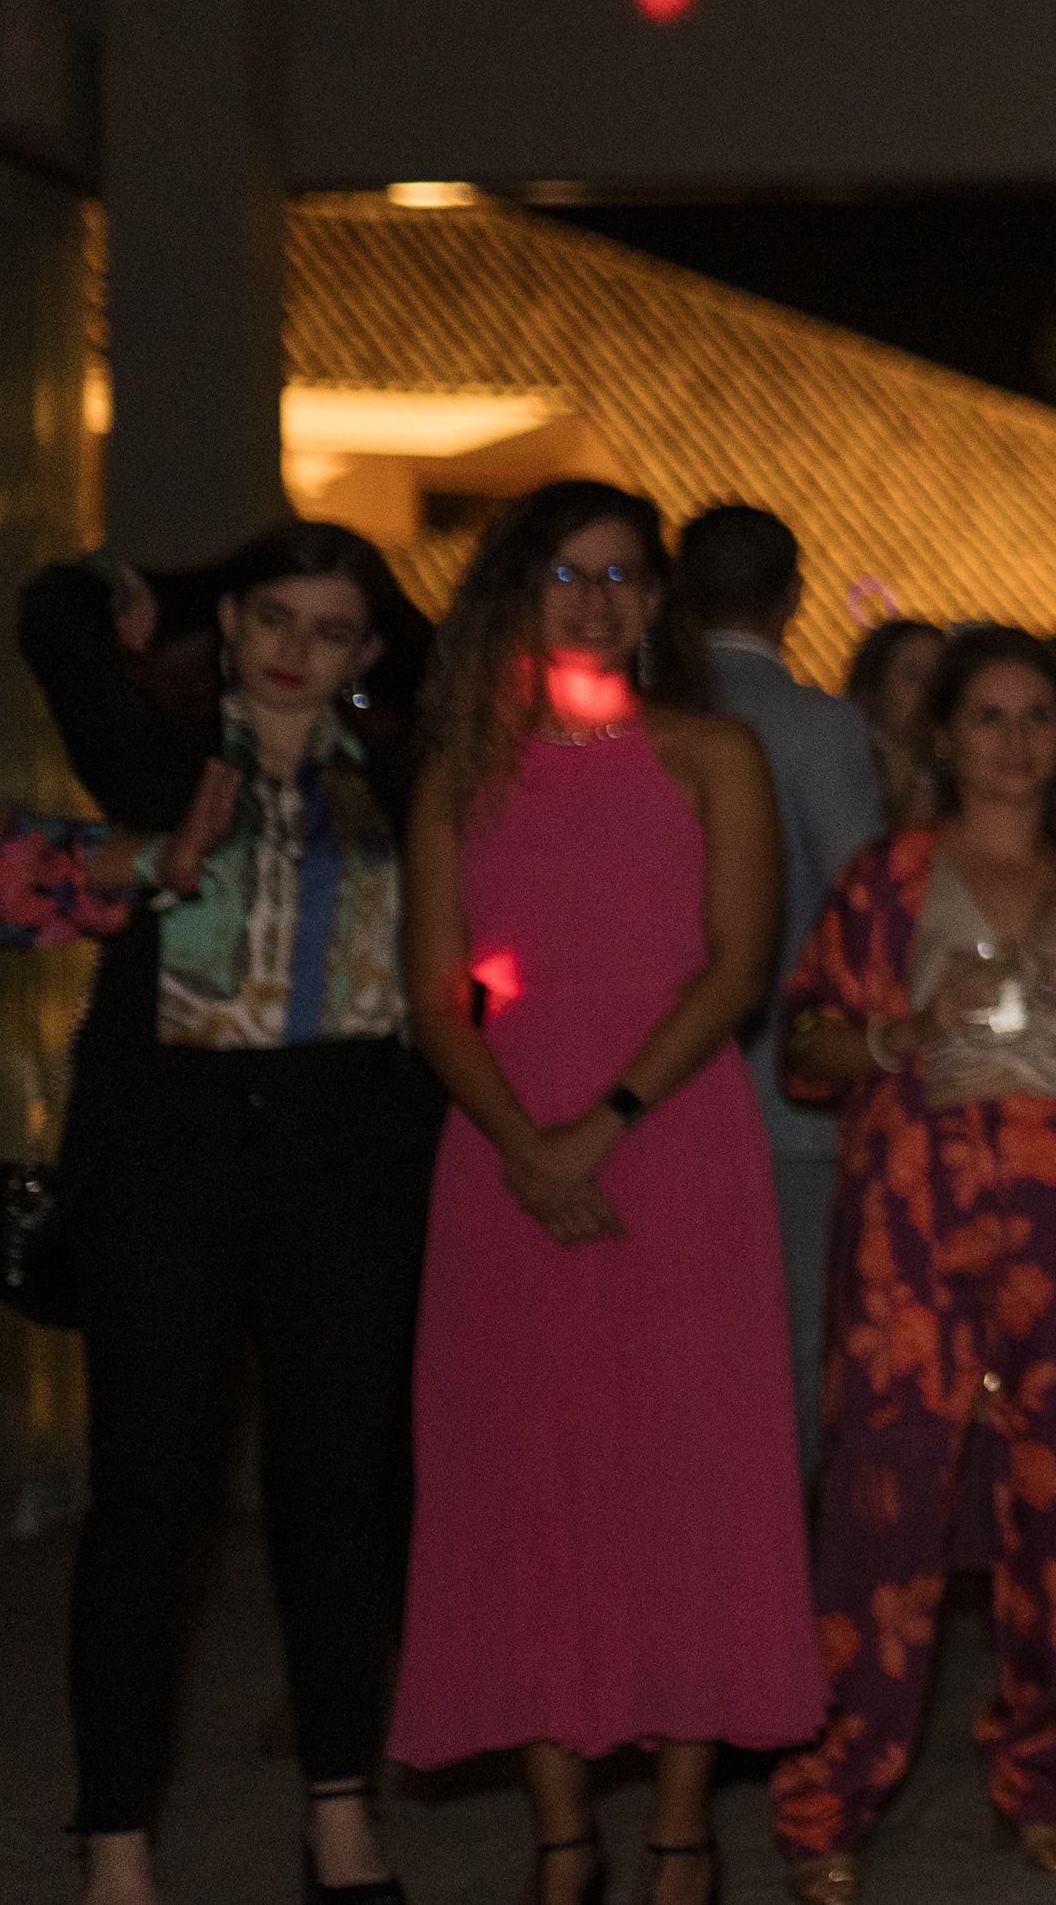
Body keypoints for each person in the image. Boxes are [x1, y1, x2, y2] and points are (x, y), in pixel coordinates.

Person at [388, 482, 827, 1904]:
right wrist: (527, 1142)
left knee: (688, 1476)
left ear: (658, 599)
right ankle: (561, 1834)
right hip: (499, 1155)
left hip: (676, 1147)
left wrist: (602, 1125)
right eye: (566, 573)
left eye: (623, 574)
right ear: (516, 594)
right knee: (524, 1478)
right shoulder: (459, 773)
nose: (595, 599)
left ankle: (681, 1831)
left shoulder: (712, 752)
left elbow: (738, 964)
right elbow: (438, 994)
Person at [0, 527, 438, 1905]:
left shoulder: (406, 777)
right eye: (272, 616)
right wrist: (152, 592)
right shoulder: (161, 762)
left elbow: (460, 664)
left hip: (347, 1166)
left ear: (365, 650)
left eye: (332, 627)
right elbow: (52, 617)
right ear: (233, 622)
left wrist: (383, 637)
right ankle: (116, 1837)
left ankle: (342, 1815)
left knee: (337, 1491)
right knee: (146, 1497)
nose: (298, 648)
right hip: (164, 1165)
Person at [769, 627, 1056, 1895]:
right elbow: (804, 1044)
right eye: (988, 716)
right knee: (885, 1498)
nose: (1015, 742)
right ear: (943, 737)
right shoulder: (888, 880)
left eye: (1036, 716)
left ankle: (1042, 1775)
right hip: (916, 1219)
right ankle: (832, 1793)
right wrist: (904, 1029)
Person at [682, 503, 893, 1455]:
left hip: (655, 1088)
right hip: (787, 1091)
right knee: (796, 1349)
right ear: (795, 597)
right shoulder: (816, 725)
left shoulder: (646, 721)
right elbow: (862, 896)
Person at [843, 619, 944, 823]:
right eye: (912, 677)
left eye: (940, 678)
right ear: (875, 688)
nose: (929, 691)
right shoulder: (841, 768)